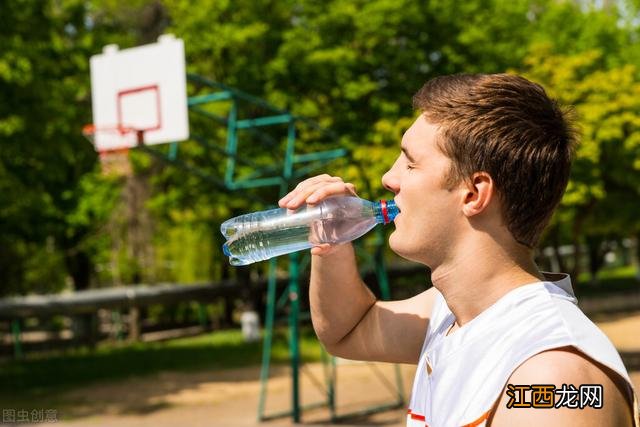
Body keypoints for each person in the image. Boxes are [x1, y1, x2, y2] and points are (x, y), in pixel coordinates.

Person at [278, 74, 638, 426]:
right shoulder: (454, 313)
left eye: (410, 162)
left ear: (473, 194)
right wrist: (330, 242)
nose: (389, 178)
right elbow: (348, 330)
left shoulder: (552, 382)